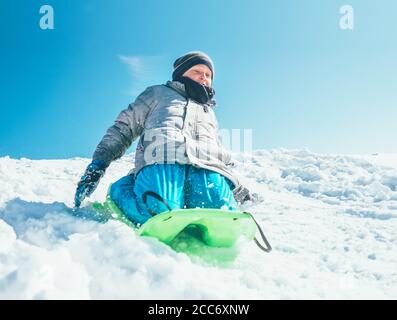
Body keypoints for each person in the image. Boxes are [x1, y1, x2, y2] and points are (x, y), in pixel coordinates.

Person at [74, 51, 253, 226]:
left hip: (206, 165)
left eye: (208, 74)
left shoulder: (209, 113)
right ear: (181, 74)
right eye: (197, 71)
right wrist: (99, 163)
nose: (203, 77)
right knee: (158, 212)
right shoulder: (158, 93)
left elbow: (218, 150)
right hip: (162, 158)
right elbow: (124, 127)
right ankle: (120, 191)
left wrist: (237, 187)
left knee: (221, 213)